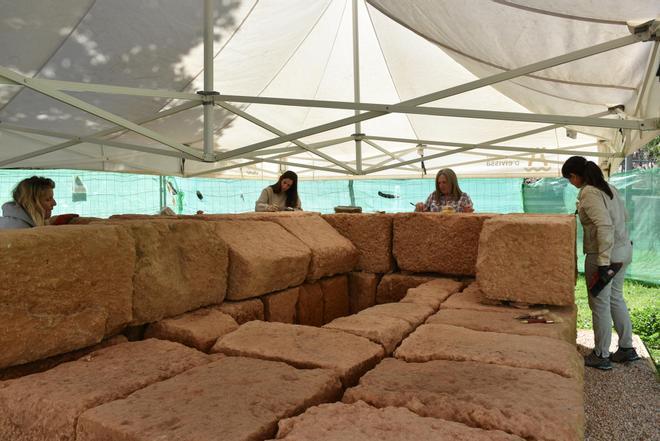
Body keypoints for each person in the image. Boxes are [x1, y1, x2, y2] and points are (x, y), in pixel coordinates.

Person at [562, 156, 639, 370]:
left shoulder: (588, 193)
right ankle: (626, 348)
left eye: (570, 179)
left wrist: (603, 263)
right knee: (615, 299)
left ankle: (601, 354)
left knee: (600, 304)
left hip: (604, 255)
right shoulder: (610, 188)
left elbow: (604, 226)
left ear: (575, 176)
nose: (571, 183)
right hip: (623, 251)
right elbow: (624, 216)